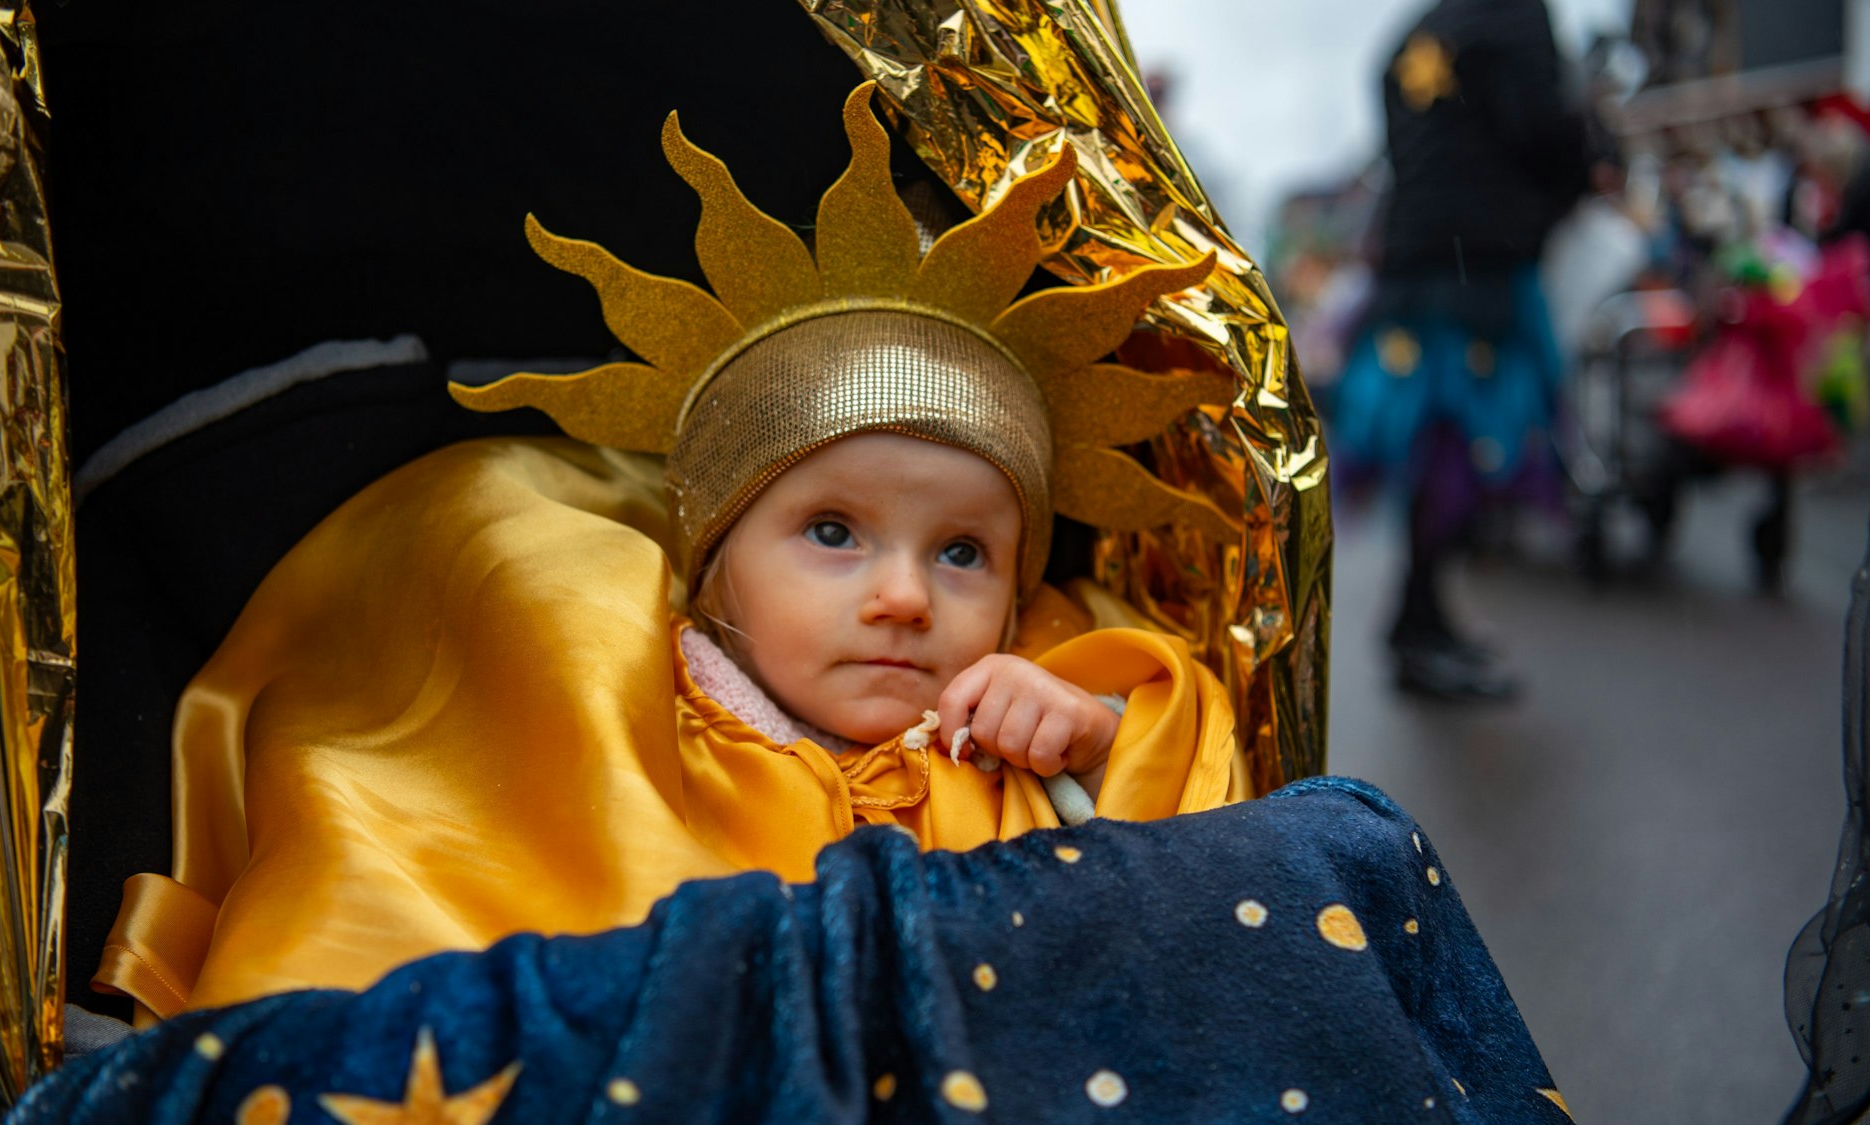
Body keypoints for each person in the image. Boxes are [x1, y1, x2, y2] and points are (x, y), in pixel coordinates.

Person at [88, 83, 1253, 1022]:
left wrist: (1085, 740)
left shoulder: (1039, 687)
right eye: (832, 534)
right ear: (715, 564)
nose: (901, 597)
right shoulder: (628, 687)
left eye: (961, 554)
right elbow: (431, 856)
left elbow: (1184, 860)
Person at [1330, 0, 1600, 700]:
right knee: (1463, 446)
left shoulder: (1410, 37)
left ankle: (1425, 617)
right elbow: (1545, 131)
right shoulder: (1514, 16)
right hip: (1481, 265)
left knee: (1433, 445)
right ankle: (1416, 628)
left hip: (1412, 265)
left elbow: (1402, 143)